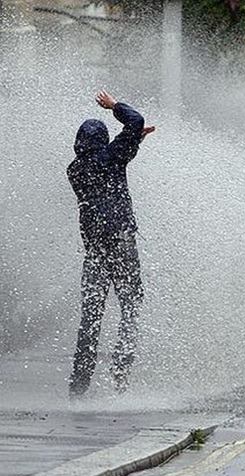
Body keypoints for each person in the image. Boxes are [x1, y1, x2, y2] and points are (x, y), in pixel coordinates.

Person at [67, 91, 155, 397]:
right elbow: (135, 121)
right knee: (130, 308)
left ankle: (78, 387)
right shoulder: (110, 157)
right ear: (104, 140)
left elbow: (116, 161)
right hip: (121, 243)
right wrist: (114, 106)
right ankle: (120, 375)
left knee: (90, 318)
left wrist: (133, 142)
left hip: (94, 251)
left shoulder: (74, 170)